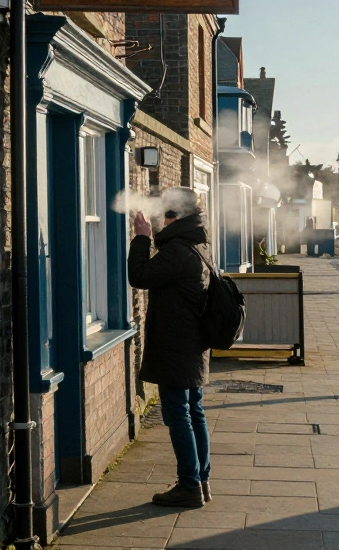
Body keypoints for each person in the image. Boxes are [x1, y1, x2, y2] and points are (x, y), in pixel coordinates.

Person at [127, 188, 213, 508]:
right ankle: (200, 481)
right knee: (193, 412)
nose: (160, 219)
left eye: (164, 213)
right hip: (191, 345)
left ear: (175, 216)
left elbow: (139, 276)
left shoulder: (177, 250)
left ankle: (190, 485)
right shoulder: (196, 245)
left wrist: (141, 238)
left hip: (178, 346)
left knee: (179, 415)